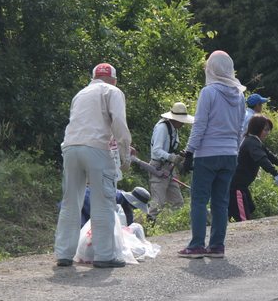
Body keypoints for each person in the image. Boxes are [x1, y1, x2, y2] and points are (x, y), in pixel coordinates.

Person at [55, 63, 133, 268]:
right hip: (97, 148)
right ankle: (105, 256)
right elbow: (118, 122)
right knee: (103, 201)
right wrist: (125, 152)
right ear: (114, 79)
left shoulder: (80, 93)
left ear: (93, 77)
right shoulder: (113, 91)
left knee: (71, 201)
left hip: (70, 148)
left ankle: (64, 254)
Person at [178, 50, 246, 258]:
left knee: (199, 200)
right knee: (220, 202)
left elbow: (200, 125)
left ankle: (197, 245)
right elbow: (241, 127)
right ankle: (217, 245)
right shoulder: (240, 94)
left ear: (212, 68)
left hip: (207, 154)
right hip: (230, 155)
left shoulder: (209, 92)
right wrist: (234, 149)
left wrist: (189, 152)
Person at [228, 114, 278, 222]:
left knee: (250, 207)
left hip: (241, 186)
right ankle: (219, 216)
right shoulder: (251, 143)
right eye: (265, 130)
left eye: (268, 130)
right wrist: (275, 174)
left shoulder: (255, 141)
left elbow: (269, 155)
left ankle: (218, 213)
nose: (267, 133)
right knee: (244, 221)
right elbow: (262, 159)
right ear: (257, 129)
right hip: (236, 187)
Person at [148, 102, 194, 220]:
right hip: (159, 166)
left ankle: (177, 228)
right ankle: (146, 229)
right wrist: (171, 157)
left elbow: (170, 149)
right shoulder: (162, 128)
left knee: (177, 202)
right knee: (157, 204)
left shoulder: (174, 129)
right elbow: (156, 150)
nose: (183, 123)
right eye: (181, 120)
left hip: (169, 167)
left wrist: (178, 159)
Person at [58, 186, 150, 227]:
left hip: (88, 208)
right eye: (136, 206)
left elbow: (127, 225)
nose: (136, 209)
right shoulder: (114, 198)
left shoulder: (126, 207)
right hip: (77, 203)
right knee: (77, 232)